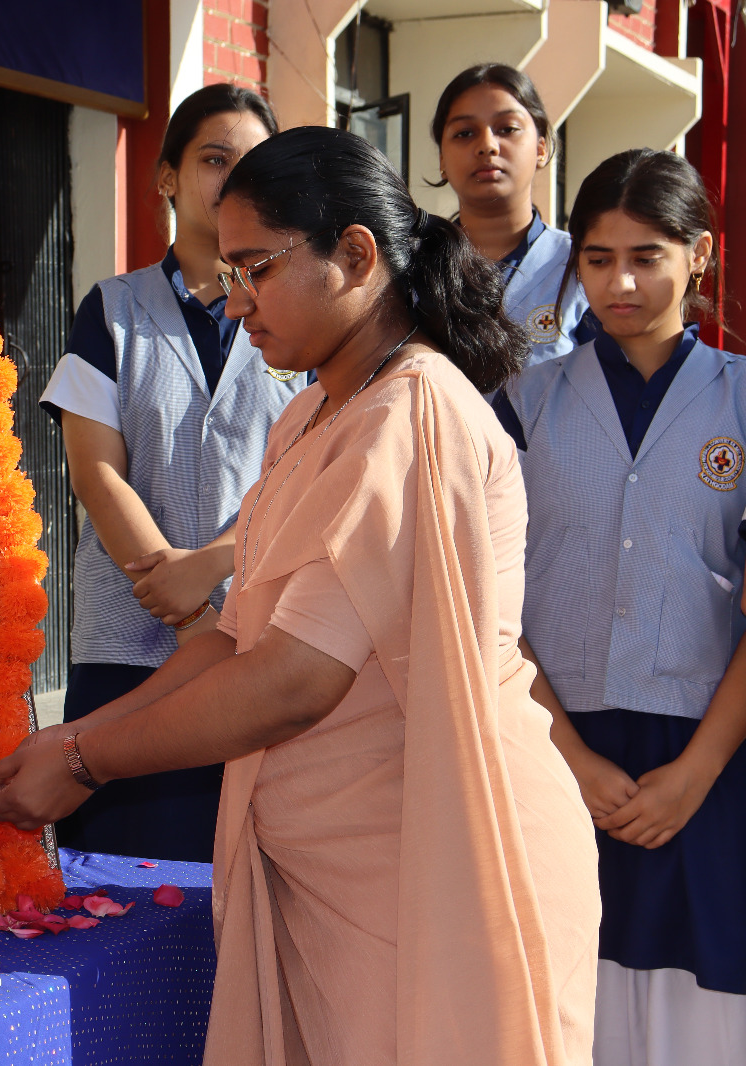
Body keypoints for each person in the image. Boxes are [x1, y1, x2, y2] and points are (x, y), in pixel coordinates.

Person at [0, 126, 600, 1064]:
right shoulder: (312, 410)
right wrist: (68, 741)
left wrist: (90, 762)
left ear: (355, 255)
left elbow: (292, 679)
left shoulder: (411, 409)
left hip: (433, 857)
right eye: (228, 273)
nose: (235, 304)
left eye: (256, 269)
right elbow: (234, 637)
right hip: (338, 869)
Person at [493, 149, 746, 1066]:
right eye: (598, 259)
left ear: (700, 256)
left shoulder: (743, 402)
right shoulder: (521, 405)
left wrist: (695, 773)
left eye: (647, 255)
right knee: (559, 991)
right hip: (549, 747)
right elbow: (486, 606)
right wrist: (571, 756)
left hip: (706, 761)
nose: (623, 281)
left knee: (702, 1011)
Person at [37, 84, 304, 861]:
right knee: (117, 875)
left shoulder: (299, 312)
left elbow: (306, 472)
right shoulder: (113, 310)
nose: (232, 179)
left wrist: (214, 566)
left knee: (241, 889)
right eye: (214, 159)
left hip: (258, 645)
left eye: (251, 164)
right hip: (128, 641)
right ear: (166, 177)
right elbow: (96, 473)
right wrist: (180, 603)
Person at [432, 63, 594, 365]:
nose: (487, 146)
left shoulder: (583, 266)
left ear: (541, 148)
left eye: (507, 129)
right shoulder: (409, 268)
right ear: (442, 158)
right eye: (465, 133)